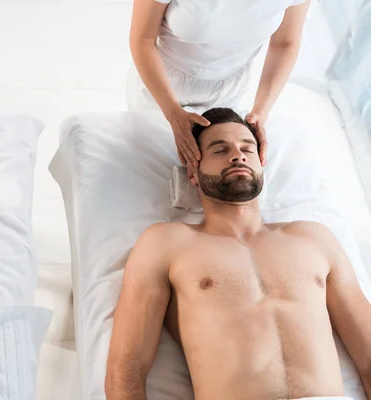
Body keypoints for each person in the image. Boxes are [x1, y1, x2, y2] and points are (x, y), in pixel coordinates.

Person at [105, 108, 371, 400]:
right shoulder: (166, 243)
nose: (238, 155)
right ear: (192, 171)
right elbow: (127, 368)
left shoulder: (314, 238)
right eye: (220, 149)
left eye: (248, 148)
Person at [127, 0, 311, 169]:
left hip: (229, 89)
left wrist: (261, 112)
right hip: (162, 84)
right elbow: (143, 40)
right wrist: (172, 112)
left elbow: (285, 43)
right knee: (149, 161)